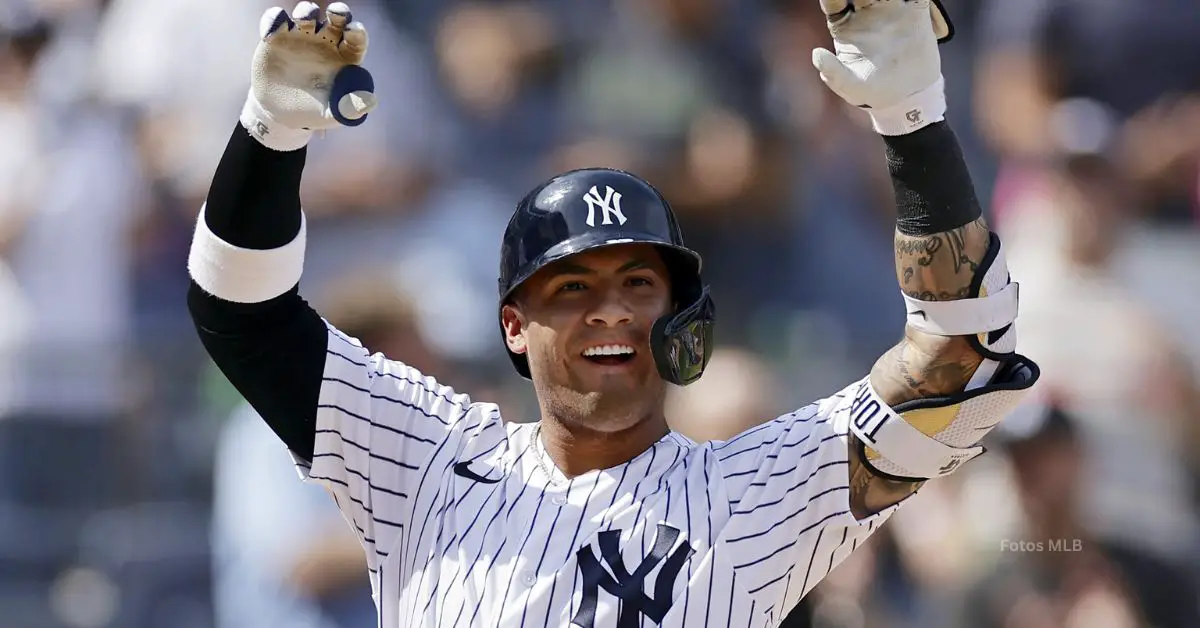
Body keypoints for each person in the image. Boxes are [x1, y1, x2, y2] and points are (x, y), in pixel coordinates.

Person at [185, 1, 1039, 625]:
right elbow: (241, 313)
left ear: (680, 319)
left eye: (640, 284)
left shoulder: (748, 494)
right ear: (513, 326)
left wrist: (912, 116)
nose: (612, 313)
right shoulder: (427, 461)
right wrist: (268, 137)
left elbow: (960, 360)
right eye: (572, 289)